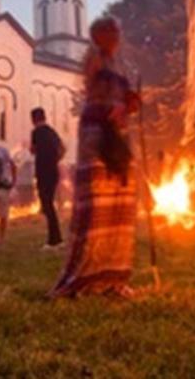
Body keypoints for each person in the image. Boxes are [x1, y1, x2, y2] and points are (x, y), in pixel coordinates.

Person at [51, 16, 141, 298]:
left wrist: (131, 103)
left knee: (121, 198)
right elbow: (95, 91)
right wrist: (112, 109)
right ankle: (83, 275)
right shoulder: (94, 58)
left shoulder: (122, 64)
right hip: (97, 131)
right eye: (109, 32)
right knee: (95, 202)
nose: (116, 36)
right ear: (97, 35)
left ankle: (114, 273)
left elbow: (126, 100)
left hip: (119, 133)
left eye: (117, 31)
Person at [30, 107, 66, 250]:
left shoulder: (36, 132)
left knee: (47, 205)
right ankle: (55, 238)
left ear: (33, 119)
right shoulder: (52, 132)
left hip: (43, 172)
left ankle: (54, 240)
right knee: (49, 203)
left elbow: (33, 150)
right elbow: (63, 148)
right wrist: (55, 159)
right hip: (53, 171)